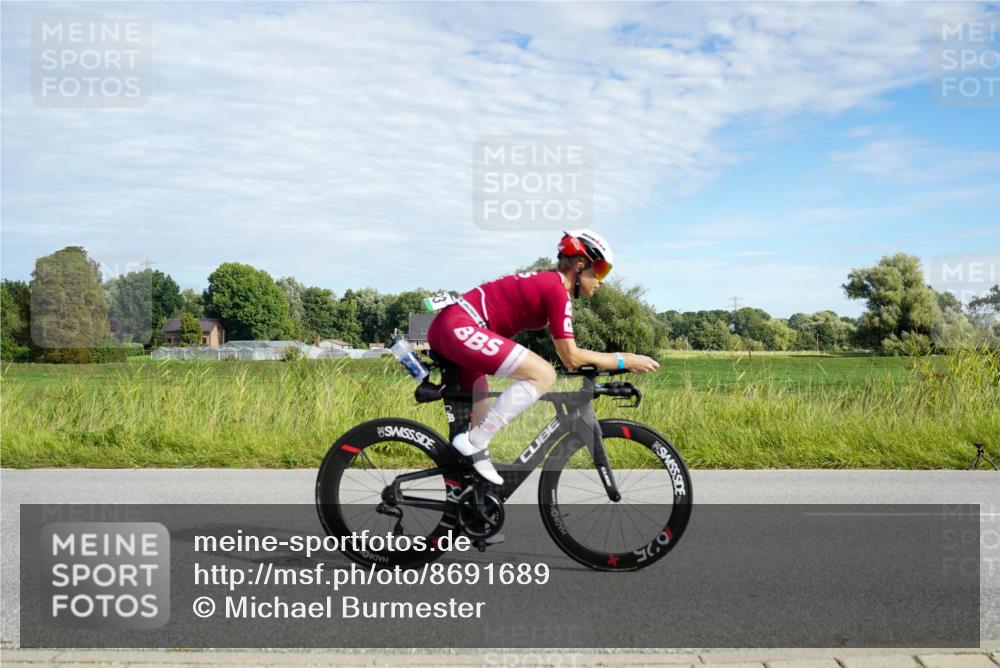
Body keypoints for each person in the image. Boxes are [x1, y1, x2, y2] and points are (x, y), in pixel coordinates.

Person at [426, 229, 660, 485]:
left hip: (463, 327)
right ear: (580, 266)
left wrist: (622, 357)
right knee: (544, 374)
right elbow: (571, 356)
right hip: (460, 326)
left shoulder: (550, 284)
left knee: (475, 427)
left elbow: (569, 349)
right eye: (600, 271)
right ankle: (477, 442)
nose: (602, 281)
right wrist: (625, 360)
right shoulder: (556, 289)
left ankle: (466, 496)